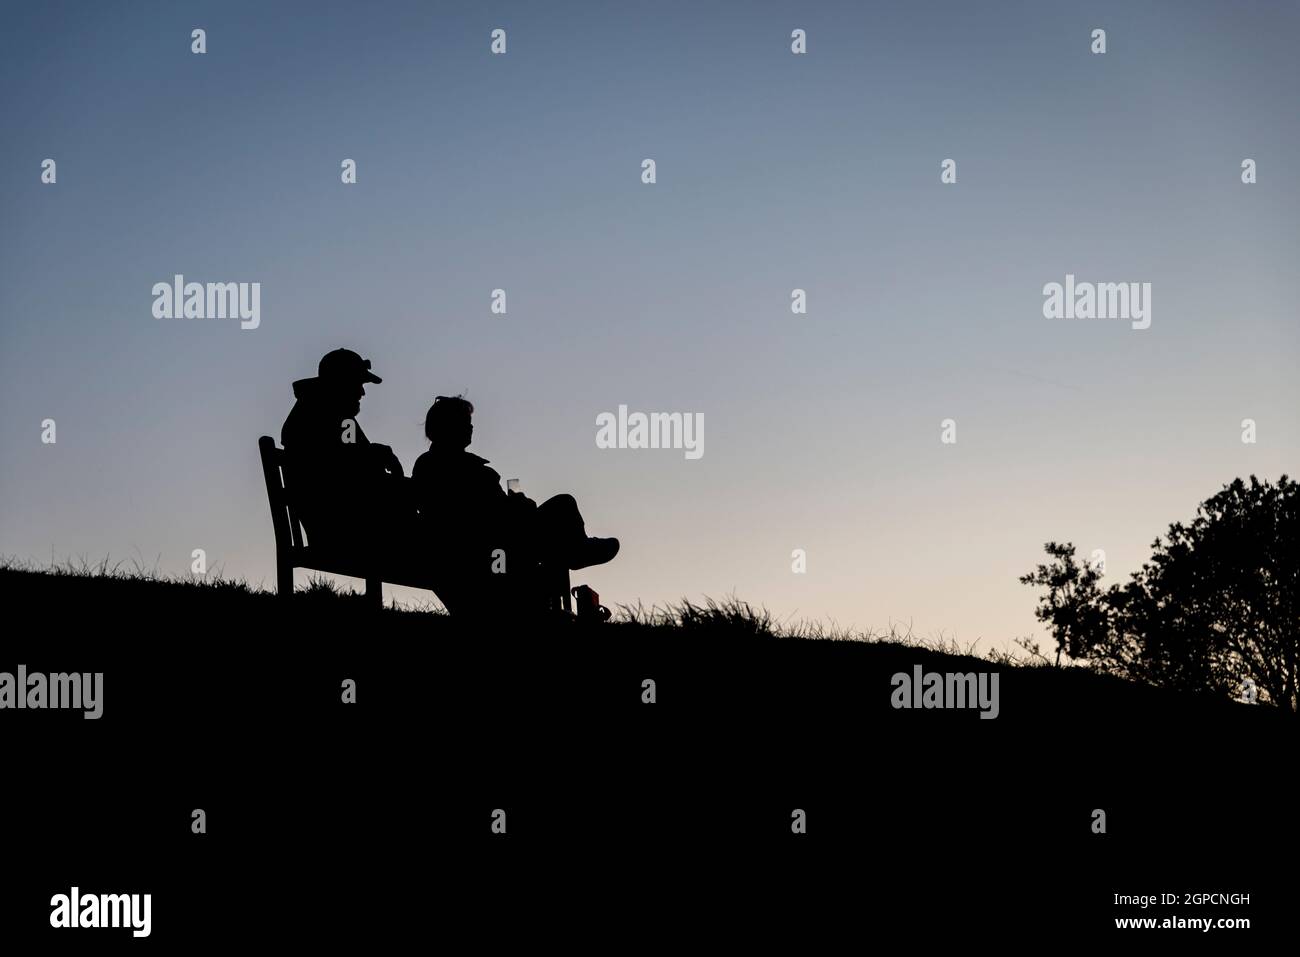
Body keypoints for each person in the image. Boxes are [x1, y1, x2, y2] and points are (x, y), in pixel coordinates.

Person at [412, 396, 619, 588]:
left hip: (479, 545)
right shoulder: (463, 468)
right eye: (465, 422)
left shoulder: (431, 464)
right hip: (491, 548)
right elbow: (491, 514)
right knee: (563, 504)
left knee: (555, 525)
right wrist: (521, 504)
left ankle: (574, 549)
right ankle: (576, 549)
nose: (471, 427)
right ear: (449, 426)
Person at [280, 349, 412, 557]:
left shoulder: (334, 415)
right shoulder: (323, 416)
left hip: (348, 523)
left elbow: (353, 456)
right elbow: (342, 468)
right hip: (342, 530)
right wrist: (376, 457)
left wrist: (373, 454)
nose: (362, 393)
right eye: (357, 384)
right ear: (340, 383)